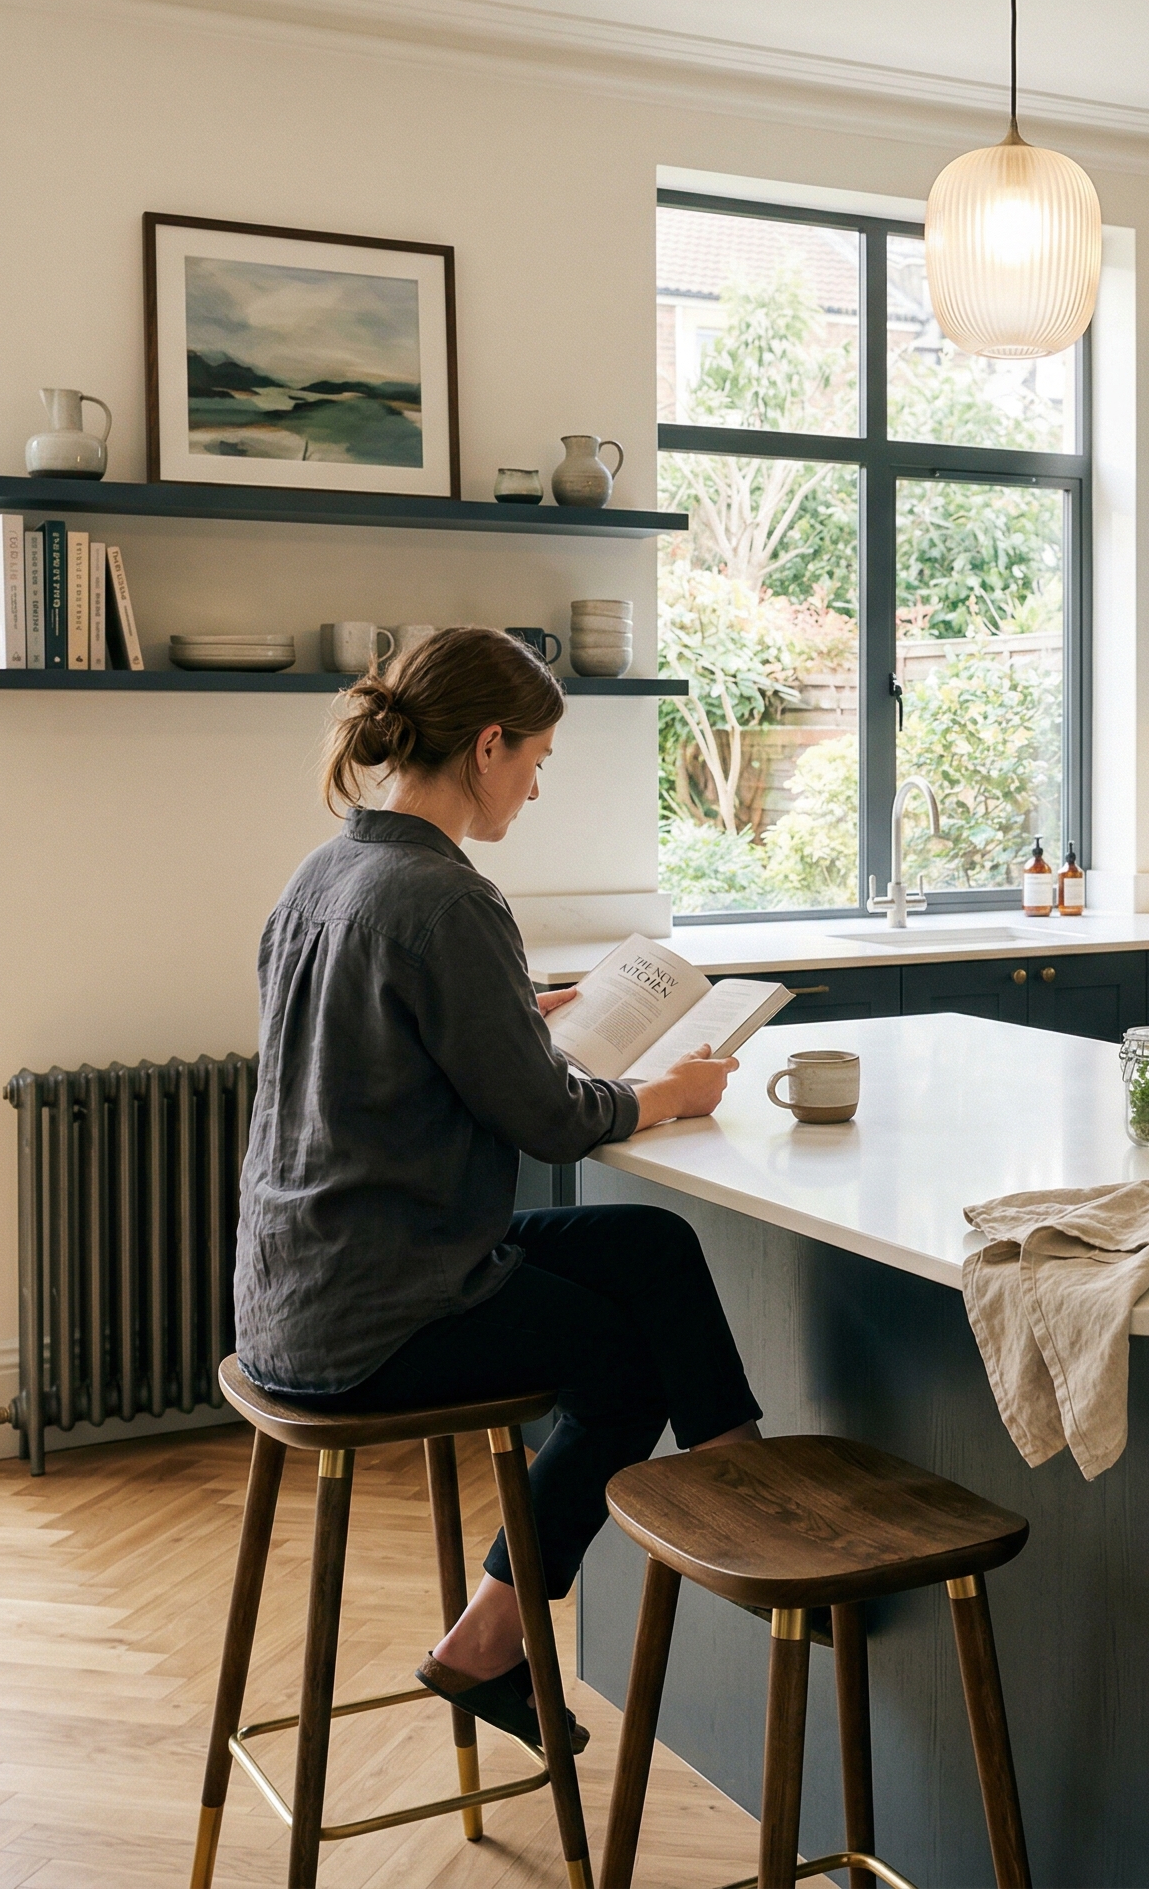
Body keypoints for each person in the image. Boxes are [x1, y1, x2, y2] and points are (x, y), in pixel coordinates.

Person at [234, 624, 761, 1753]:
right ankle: (486, 1638)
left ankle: (735, 1473)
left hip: (305, 1280)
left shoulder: (331, 866)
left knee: (649, 1246)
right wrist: (662, 1092)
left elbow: (384, 1039)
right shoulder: (445, 897)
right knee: (622, 1376)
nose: (534, 783)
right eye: (533, 760)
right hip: (380, 1306)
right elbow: (545, 1119)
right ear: (486, 746)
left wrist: (523, 1014)